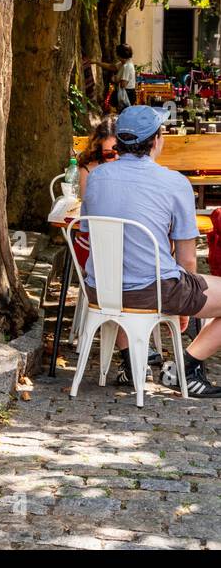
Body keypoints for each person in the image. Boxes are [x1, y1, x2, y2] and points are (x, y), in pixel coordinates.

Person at [80, 106, 221, 394]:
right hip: (154, 290)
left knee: (126, 269)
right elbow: (187, 258)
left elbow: (87, 233)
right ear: (156, 140)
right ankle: (186, 367)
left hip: (100, 290)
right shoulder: (174, 183)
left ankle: (132, 363)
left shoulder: (96, 177)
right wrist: (186, 307)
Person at [69, 114, 119, 272]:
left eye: (120, 152)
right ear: (99, 148)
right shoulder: (89, 169)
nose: (115, 158)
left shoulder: (134, 168)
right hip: (97, 241)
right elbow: (87, 208)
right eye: (109, 154)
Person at [114, 43, 136, 110]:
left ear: (119, 55)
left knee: (124, 114)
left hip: (127, 94)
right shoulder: (126, 63)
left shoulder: (127, 66)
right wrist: (97, 63)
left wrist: (115, 79)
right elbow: (112, 67)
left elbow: (123, 84)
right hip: (129, 93)